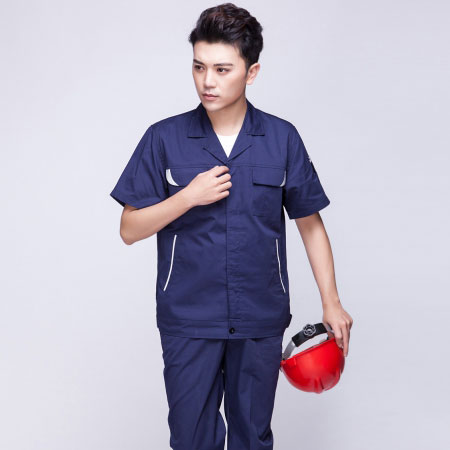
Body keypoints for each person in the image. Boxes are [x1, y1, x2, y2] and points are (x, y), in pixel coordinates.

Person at [110, 3, 353, 449]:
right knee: (191, 439)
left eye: (222, 69)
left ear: (251, 71)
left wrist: (332, 303)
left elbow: (310, 224)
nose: (208, 81)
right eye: (199, 66)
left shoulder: (281, 138)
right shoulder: (164, 138)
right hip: (188, 315)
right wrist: (187, 197)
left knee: (252, 438)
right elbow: (130, 228)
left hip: (260, 313)